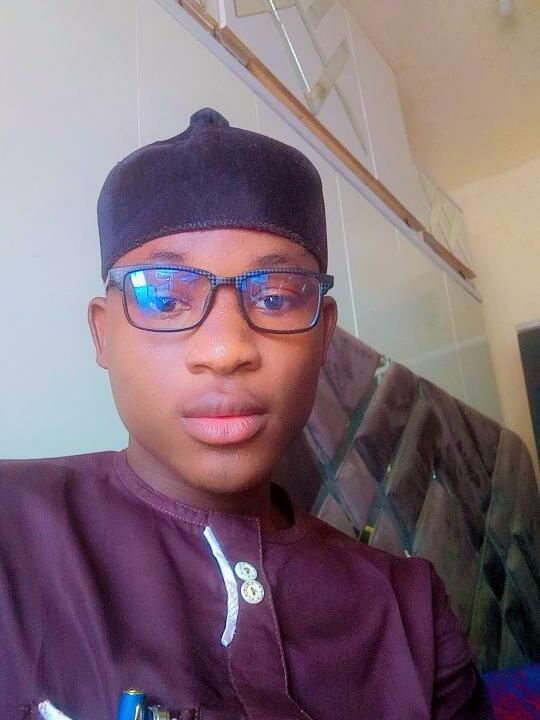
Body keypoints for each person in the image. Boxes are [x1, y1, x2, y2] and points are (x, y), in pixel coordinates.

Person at [0, 108, 492, 719]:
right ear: (103, 334)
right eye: (164, 296)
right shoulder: (11, 532)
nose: (226, 350)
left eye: (276, 297)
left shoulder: (412, 615)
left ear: (323, 335)